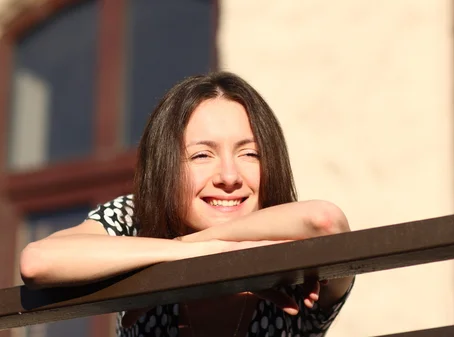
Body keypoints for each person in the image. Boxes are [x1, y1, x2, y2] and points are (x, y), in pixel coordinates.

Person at [19, 71, 354, 337]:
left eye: (249, 153)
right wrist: (198, 254)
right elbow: (38, 261)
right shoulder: (136, 219)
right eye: (202, 155)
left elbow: (324, 220)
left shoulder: (295, 248)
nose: (228, 175)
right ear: (166, 166)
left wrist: (189, 245)